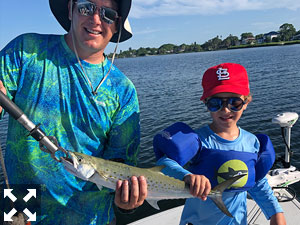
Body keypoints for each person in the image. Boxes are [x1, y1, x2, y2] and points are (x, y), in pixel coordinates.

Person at [0, 0, 147, 224]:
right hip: (21, 202)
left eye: (108, 14)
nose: (96, 19)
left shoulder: (123, 91)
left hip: (91, 215)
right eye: (86, 7)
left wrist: (126, 204)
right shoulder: (27, 50)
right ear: (70, 9)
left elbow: (122, 167)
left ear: (116, 26)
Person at [153, 63, 286, 225]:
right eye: (215, 103)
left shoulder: (253, 143)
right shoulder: (198, 140)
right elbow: (164, 163)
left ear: (247, 102)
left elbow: (256, 181)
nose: (225, 110)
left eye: (234, 102)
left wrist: (275, 212)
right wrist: (186, 176)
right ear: (206, 103)